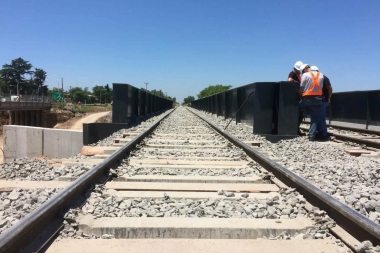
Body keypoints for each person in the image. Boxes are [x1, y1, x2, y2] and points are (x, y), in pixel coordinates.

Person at [299, 64, 324, 141]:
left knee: (297, 110)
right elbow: (321, 87)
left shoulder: (305, 75)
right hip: (318, 99)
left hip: (307, 99)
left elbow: (301, 87)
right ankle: (311, 136)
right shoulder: (321, 75)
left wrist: (300, 96)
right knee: (314, 118)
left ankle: (294, 129)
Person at [310, 66, 333, 140]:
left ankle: (321, 133)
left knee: (317, 117)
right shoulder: (324, 77)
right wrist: (329, 98)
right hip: (322, 99)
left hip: (316, 100)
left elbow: (329, 88)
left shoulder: (311, 78)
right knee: (320, 117)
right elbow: (330, 88)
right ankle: (322, 133)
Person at [288, 61, 305, 135]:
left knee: (300, 114)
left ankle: (296, 129)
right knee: (298, 114)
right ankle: (295, 130)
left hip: (298, 96)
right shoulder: (293, 73)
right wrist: (298, 83)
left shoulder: (299, 75)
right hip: (295, 97)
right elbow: (289, 81)